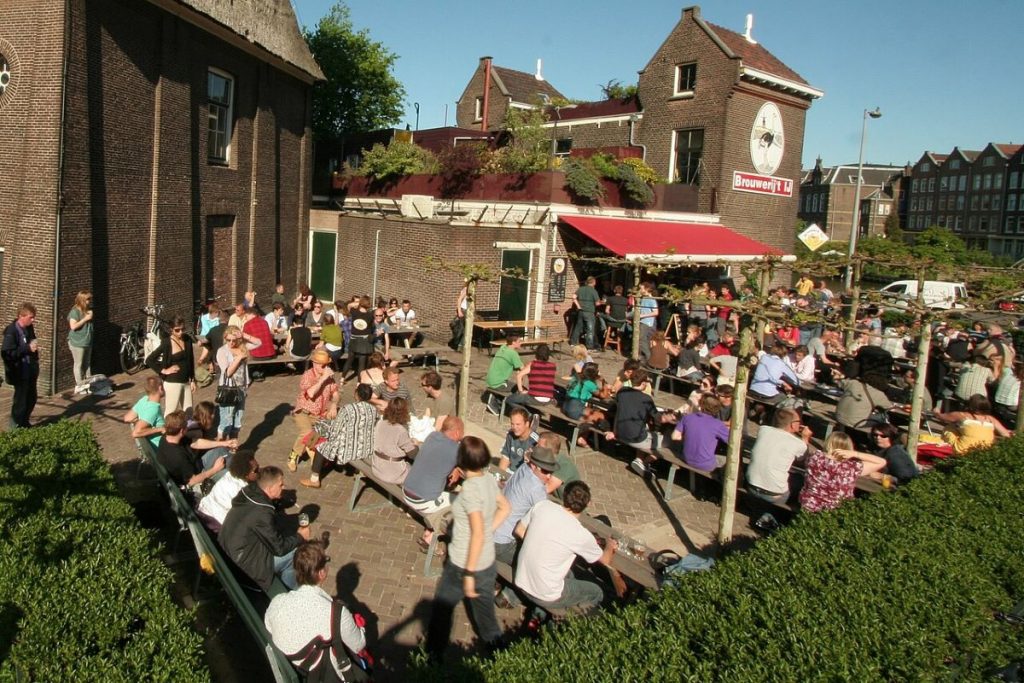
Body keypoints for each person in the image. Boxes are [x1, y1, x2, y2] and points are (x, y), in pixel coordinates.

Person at [426, 436, 510, 662]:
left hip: (463, 564)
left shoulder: (471, 490)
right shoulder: (490, 480)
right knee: (485, 613)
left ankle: (433, 654)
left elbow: (477, 532)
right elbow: (505, 507)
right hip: (487, 560)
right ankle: (499, 652)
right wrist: (489, 527)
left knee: (443, 607)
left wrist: (470, 573)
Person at [265, 540, 369, 682]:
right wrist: (361, 627)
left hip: (294, 671)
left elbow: (269, 626)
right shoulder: (337, 614)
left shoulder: (278, 602)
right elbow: (358, 645)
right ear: (321, 573)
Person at [513, 481, 616, 615]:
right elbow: (605, 560)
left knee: (571, 574)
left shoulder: (543, 506)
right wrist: (609, 546)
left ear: (564, 494)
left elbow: (519, 530)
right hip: (544, 594)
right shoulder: (581, 534)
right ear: (588, 504)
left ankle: (539, 612)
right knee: (597, 591)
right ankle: (581, 624)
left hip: (521, 579)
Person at [492, 445, 562, 608]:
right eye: (545, 471)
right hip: (502, 543)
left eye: (551, 472)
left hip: (493, 529)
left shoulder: (524, 468)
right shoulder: (536, 489)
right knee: (536, 563)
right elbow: (544, 521)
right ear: (535, 466)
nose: (549, 476)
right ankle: (510, 596)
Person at [220, 466, 311, 591]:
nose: (283, 487)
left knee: (283, 534)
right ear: (269, 488)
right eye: (280, 485)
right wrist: (300, 536)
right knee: (296, 553)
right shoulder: (262, 513)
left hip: (228, 551)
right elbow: (279, 549)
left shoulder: (249, 492)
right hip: (244, 568)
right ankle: (289, 594)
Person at [402, 416, 465, 548]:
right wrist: (458, 469)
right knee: (461, 500)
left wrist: (455, 467)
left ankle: (428, 531)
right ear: (458, 432)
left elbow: (438, 457)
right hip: (422, 501)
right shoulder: (456, 449)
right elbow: (468, 468)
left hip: (406, 491)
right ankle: (430, 535)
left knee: (441, 487)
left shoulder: (432, 436)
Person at [303, 383, 378, 489]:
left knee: (322, 447)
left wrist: (322, 426)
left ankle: (314, 479)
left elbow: (335, 430)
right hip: (366, 447)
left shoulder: (348, 409)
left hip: (351, 450)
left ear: (356, 394)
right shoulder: (373, 410)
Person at [799, 433, 885, 513]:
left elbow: (804, 454)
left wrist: (805, 437)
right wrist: (855, 454)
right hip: (838, 510)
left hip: (808, 505)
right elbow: (882, 462)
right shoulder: (851, 468)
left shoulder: (815, 457)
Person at [746, 408, 813, 506]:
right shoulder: (798, 443)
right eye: (799, 421)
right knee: (800, 479)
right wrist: (805, 438)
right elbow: (803, 459)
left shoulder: (763, 430)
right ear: (793, 424)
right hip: (775, 494)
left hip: (751, 485)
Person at [289, 349, 340, 472]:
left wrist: (334, 404)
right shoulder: (308, 375)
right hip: (304, 411)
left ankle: (316, 454)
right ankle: (294, 455)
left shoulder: (330, 378)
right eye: (323, 365)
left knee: (324, 431)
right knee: (307, 432)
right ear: (315, 363)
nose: (325, 367)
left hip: (319, 414)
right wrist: (323, 379)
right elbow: (311, 394)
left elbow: (336, 394)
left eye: (327, 365)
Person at [156, 410, 227, 489]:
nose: (188, 427)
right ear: (182, 431)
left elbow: (195, 443)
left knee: (222, 450)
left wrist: (224, 443)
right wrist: (215, 469)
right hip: (198, 477)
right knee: (228, 471)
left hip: (196, 464)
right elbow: (192, 481)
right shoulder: (177, 457)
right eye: (187, 426)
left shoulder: (167, 437)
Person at [606, 369, 659, 474]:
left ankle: (639, 459)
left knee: (643, 428)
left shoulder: (622, 391)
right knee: (663, 441)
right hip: (634, 437)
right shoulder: (646, 398)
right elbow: (657, 417)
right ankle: (645, 462)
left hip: (620, 432)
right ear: (643, 383)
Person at [198, 449, 259, 531]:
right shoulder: (242, 492)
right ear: (246, 474)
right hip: (216, 523)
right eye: (256, 470)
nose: (259, 472)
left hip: (203, 509)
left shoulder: (228, 474)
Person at [147, 315, 196, 417]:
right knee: (171, 412)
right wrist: (163, 370)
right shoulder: (166, 343)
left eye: (183, 329)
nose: (180, 332)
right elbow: (150, 359)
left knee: (189, 411)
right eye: (177, 330)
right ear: (171, 330)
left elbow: (190, 360)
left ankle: (185, 431)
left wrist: (193, 380)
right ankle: (167, 432)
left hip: (186, 381)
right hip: (173, 382)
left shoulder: (187, 340)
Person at [934, 394, 1012, 456]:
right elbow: (1005, 434)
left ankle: (946, 449)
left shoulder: (962, 415)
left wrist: (936, 412)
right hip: (985, 450)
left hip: (964, 450)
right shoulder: (990, 419)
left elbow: (942, 418)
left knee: (949, 428)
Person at [670, 393, 730, 473]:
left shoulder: (687, 417)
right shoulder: (718, 424)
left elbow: (674, 437)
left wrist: (689, 435)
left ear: (701, 404)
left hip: (687, 459)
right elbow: (732, 442)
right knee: (731, 461)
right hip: (706, 465)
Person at [2, 303, 40, 428]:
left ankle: (24, 423)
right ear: (21, 316)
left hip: (30, 369)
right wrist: (27, 348)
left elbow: (32, 341)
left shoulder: (29, 328)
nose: (33, 320)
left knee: (31, 398)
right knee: (20, 401)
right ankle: (14, 429)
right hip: (19, 371)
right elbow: (8, 352)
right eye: (31, 317)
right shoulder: (11, 332)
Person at [216, 325, 257, 440]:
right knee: (226, 422)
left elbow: (258, 343)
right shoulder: (222, 351)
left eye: (234, 340)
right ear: (225, 338)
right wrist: (238, 358)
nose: (231, 342)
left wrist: (243, 335)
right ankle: (220, 448)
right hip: (228, 389)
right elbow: (227, 372)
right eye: (228, 340)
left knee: (237, 423)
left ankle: (233, 450)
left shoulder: (242, 347)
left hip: (242, 389)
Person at [371, 397, 418, 485]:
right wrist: (416, 444)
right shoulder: (400, 430)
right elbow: (413, 454)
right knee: (420, 467)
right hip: (393, 474)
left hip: (377, 467)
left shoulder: (380, 423)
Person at [507, 344, 557, 409]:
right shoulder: (552, 366)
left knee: (509, 399)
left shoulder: (533, 364)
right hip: (548, 399)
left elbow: (519, 376)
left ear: (536, 354)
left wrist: (521, 391)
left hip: (535, 397)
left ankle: (527, 414)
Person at [484, 334, 524, 414]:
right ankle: (498, 404)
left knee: (511, 384)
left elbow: (511, 363)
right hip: (497, 383)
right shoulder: (513, 354)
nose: (521, 343)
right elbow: (523, 369)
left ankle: (495, 398)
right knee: (519, 389)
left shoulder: (503, 347)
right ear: (513, 342)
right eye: (519, 341)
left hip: (489, 380)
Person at [124, 376, 166, 447]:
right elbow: (136, 433)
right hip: (159, 446)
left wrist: (140, 420)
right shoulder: (153, 409)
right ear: (160, 388)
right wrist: (160, 429)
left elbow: (127, 418)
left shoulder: (144, 399)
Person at [67, 290, 94, 390]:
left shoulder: (89, 310)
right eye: (87, 299)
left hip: (87, 341)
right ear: (82, 300)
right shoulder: (74, 312)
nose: (89, 301)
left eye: (90, 299)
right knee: (78, 363)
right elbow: (73, 326)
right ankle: (80, 385)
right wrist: (86, 319)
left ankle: (89, 384)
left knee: (87, 364)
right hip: (77, 342)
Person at [498, 407, 539, 472]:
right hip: (510, 471)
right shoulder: (510, 434)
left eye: (518, 424)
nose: (514, 427)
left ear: (527, 424)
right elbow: (506, 457)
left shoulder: (536, 441)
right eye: (512, 424)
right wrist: (500, 475)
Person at [342, 297, 374, 381]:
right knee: (361, 364)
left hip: (354, 339)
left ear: (360, 303)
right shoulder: (370, 315)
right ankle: (359, 383)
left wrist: (358, 303)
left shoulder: (354, 312)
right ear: (368, 304)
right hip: (364, 341)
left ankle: (342, 379)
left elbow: (348, 305)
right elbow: (371, 328)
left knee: (349, 360)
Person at [571, 276, 602, 350]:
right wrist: (601, 302)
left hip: (580, 311)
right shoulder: (593, 291)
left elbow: (573, 297)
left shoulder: (581, 289)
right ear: (594, 282)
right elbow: (597, 303)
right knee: (590, 330)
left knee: (578, 327)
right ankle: (589, 346)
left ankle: (573, 343)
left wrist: (578, 306)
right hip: (589, 312)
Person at [636, 281, 659, 363]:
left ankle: (649, 357)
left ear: (646, 289)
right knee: (641, 339)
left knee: (641, 339)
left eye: (641, 288)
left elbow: (656, 312)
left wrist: (642, 316)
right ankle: (641, 357)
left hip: (647, 322)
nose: (640, 290)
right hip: (642, 321)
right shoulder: (643, 298)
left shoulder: (651, 299)